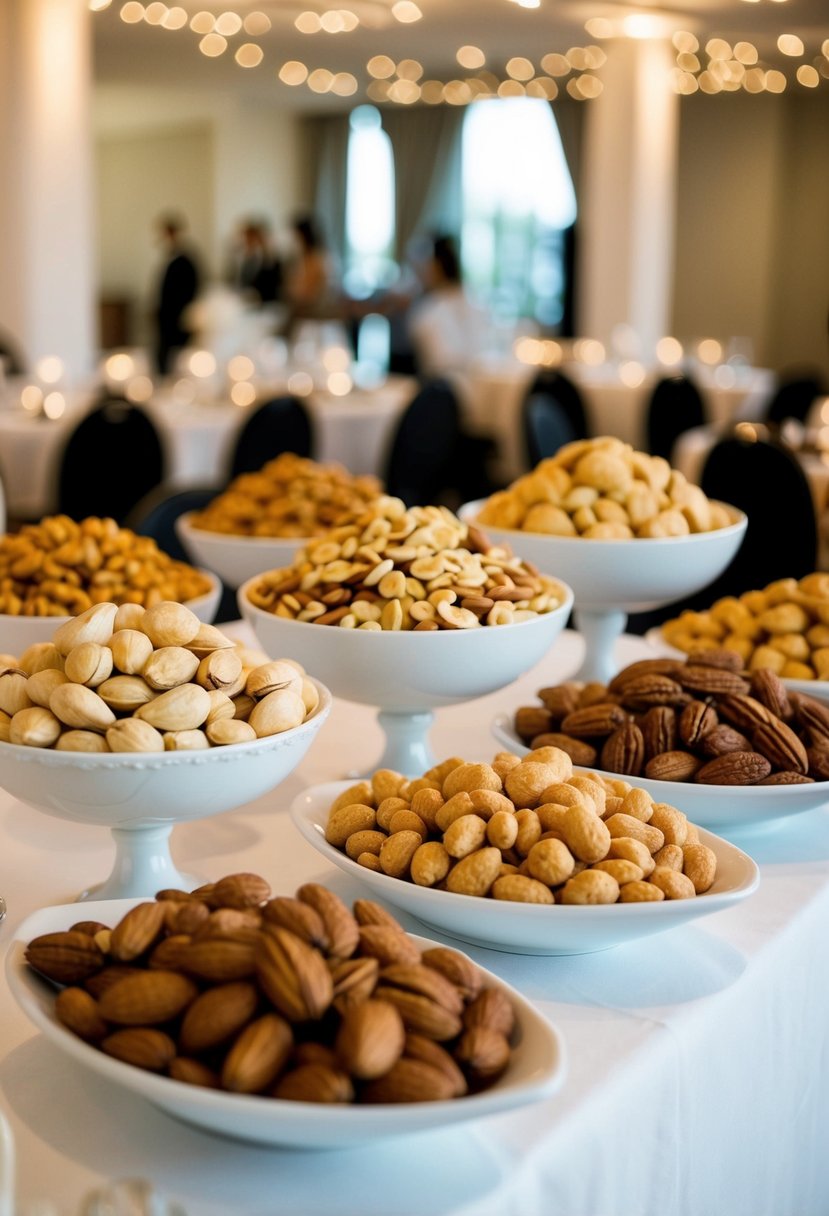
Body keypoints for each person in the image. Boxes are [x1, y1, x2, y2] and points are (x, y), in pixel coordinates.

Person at [407, 235, 492, 378]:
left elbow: (438, 361)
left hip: (442, 386)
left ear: (436, 268)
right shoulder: (475, 302)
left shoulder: (429, 310)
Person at [152, 213, 201, 375]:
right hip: (167, 316)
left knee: (177, 355)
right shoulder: (171, 258)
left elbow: (190, 289)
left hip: (177, 316)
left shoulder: (185, 261)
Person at [283, 215, 336, 330]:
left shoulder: (317, 257)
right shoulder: (302, 257)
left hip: (314, 316)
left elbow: (309, 292)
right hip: (305, 313)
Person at [227, 219, 282, 306]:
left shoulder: (266, 257)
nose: (247, 240)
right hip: (244, 297)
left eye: (250, 237)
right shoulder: (243, 256)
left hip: (262, 301)